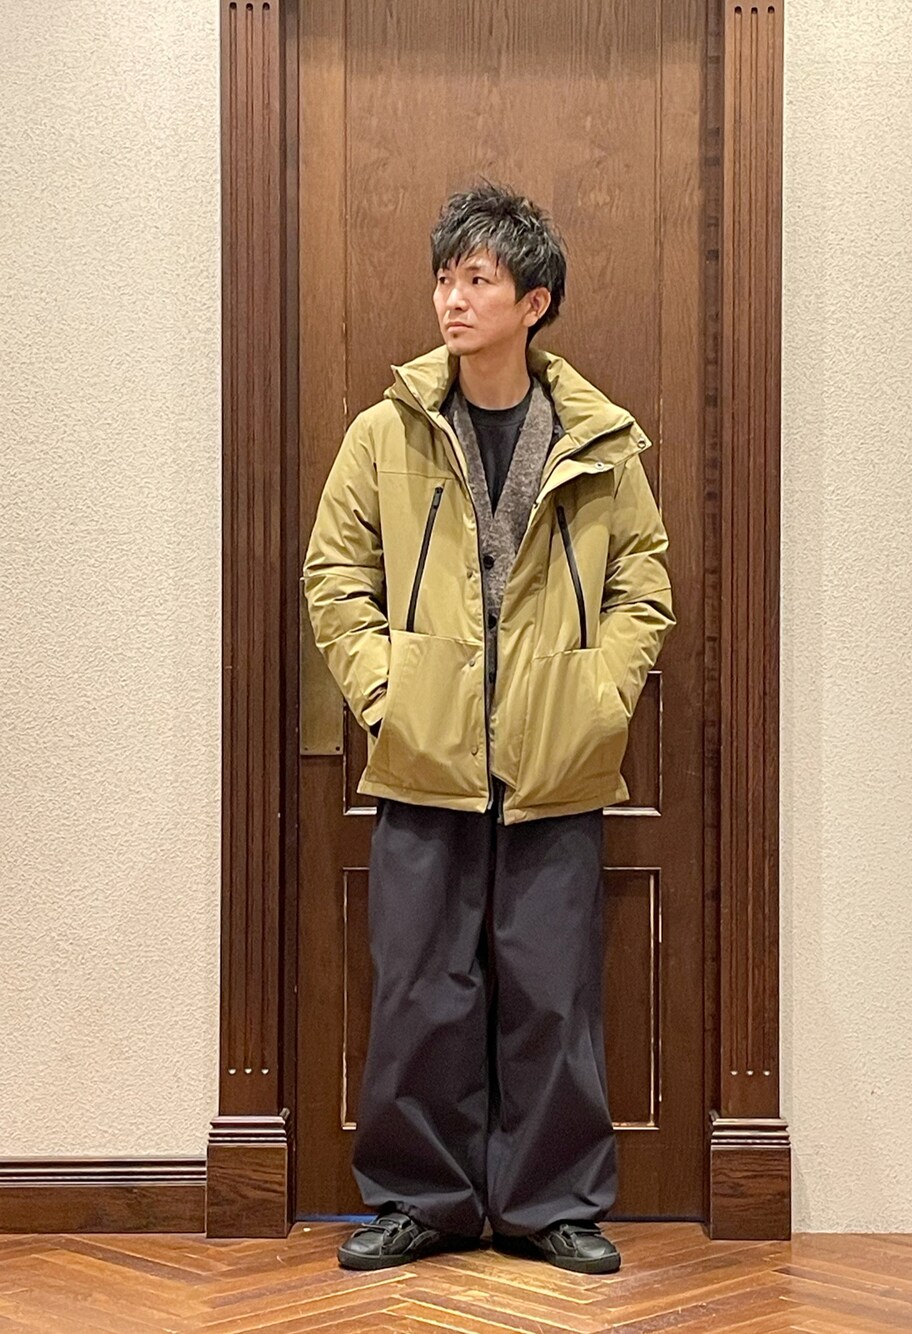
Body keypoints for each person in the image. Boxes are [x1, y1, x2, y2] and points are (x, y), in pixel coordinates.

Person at [302, 180, 676, 1276]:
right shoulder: (387, 432)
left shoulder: (598, 442)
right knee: (419, 993)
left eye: (477, 279)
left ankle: (551, 1202)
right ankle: (420, 1200)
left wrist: (599, 695)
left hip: (558, 762)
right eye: (444, 278)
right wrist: (387, 692)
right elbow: (335, 573)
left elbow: (644, 583)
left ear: (534, 301)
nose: (451, 300)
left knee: (553, 997)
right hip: (425, 757)